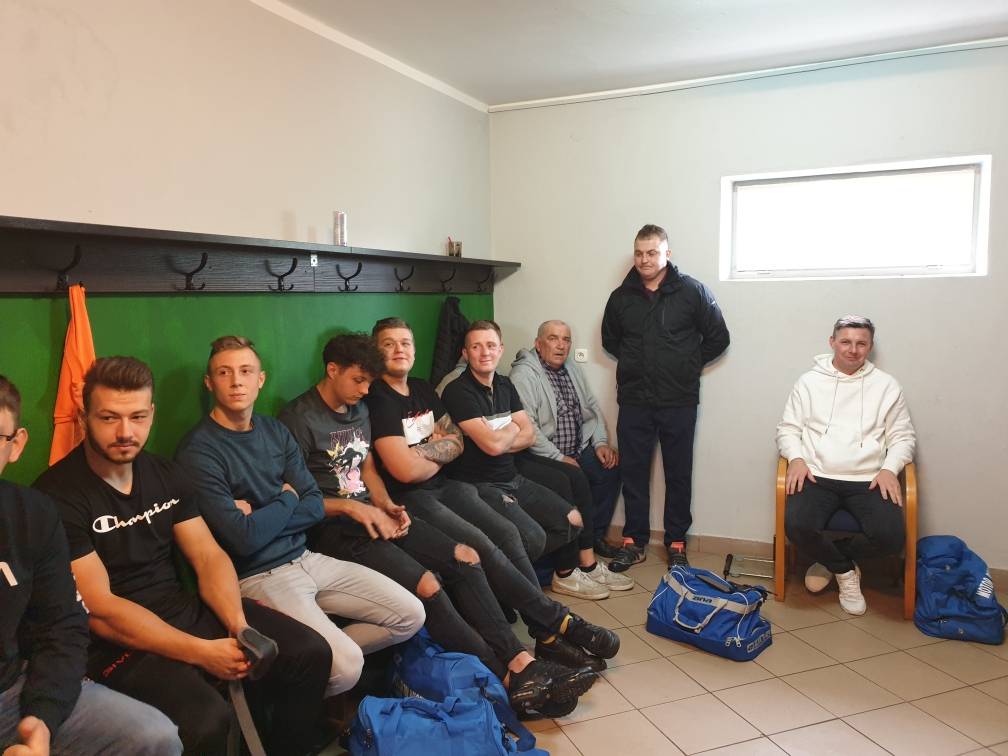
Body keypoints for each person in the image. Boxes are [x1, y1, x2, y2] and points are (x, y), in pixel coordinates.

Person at [278, 334, 596, 717]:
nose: (365, 390)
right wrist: (353, 510)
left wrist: (385, 504)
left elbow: (367, 468)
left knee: (466, 557)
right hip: (336, 529)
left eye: (368, 382)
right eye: (358, 380)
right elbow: (295, 497)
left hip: (378, 514)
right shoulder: (297, 419)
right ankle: (505, 679)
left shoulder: (358, 407)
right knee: (429, 584)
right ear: (332, 370)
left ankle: (521, 661)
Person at [32, 358, 330, 755]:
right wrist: (202, 652)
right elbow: (101, 609)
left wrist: (239, 626)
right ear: (84, 418)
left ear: (152, 414)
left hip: (180, 608)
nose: (125, 432)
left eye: (138, 417)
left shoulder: (165, 474)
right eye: (109, 418)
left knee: (310, 654)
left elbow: (208, 556)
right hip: (114, 642)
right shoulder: (56, 496)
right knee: (207, 720)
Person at [175, 335, 424, 705]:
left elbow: (313, 507)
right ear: (209, 383)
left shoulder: (274, 430)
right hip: (257, 575)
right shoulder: (197, 450)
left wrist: (266, 512)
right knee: (347, 666)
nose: (236, 381)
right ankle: (305, 681)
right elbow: (243, 539)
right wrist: (287, 497)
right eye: (224, 373)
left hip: (306, 557)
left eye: (246, 371)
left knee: (411, 614)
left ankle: (303, 668)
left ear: (260, 379)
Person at [367, 317, 620, 676]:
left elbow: (456, 442)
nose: (399, 350)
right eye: (389, 344)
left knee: (507, 535)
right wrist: (439, 448)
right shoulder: (379, 398)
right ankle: (553, 627)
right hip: (414, 496)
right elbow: (406, 471)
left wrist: (423, 452)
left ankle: (546, 631)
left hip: (448, 485)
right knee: (485, 546)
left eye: (405, 343)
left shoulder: (422, 388)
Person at [0, 375, 182, 756]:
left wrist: (42, 719)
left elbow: (61, 625)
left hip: (12, 692)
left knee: (155, 737)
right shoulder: (61, 490)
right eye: (109, 417)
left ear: (16, 445)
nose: (124, 431)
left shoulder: (32, 513)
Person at [601, 223, 730, 571]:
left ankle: (676, 542)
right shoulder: (620, 298)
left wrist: (687, 364)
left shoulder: (692, 291)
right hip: (634, 400)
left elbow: (718, 337)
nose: (644, 259)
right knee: (633, 473)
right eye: (639, 253)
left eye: (652, 253)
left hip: (678, 399)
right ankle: (634, 541)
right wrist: (638, 364)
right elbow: (610, 341)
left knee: (678, 474)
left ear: (667, 254)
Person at [777, 315, 915, 615]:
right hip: (816, 474)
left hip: (868, 478)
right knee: (797, 525)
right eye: (846, 342)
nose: (853, 350)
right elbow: (788, 429)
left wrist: (889, 468)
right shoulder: (809, 382)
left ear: (870, 346)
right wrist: (796, 458)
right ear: (832, 343)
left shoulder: (887, 386)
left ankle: (833, 559)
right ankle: (845, 572)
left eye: (861, 343)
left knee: (891, 538)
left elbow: (903, 437)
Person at [509, 320, 633, 590]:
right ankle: (578, 553)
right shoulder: (524, 375)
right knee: (572, 478)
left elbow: (591, 407)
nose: (561, 345)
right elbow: (528, 427)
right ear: (538, 344)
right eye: (553, 338)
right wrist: (557, 457)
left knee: (609, 468)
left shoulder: (572, 368)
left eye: (566, 339)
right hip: (543, 453)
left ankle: (592, 538)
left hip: (578, 447)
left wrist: (600, 442)